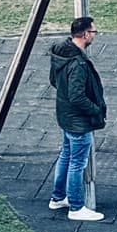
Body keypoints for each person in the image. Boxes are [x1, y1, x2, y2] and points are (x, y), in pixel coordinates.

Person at [48, 16, 107, 221]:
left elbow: (54, 80)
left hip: (65, 115)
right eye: (93, 32)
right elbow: (77, 96)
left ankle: (58, 197)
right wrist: (95, 110)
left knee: (66, 155)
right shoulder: (78, 64)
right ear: (84, 34)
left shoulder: (60, 52)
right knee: (77, 163)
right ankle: (76, 206)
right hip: (78, 120)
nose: (95, 35)